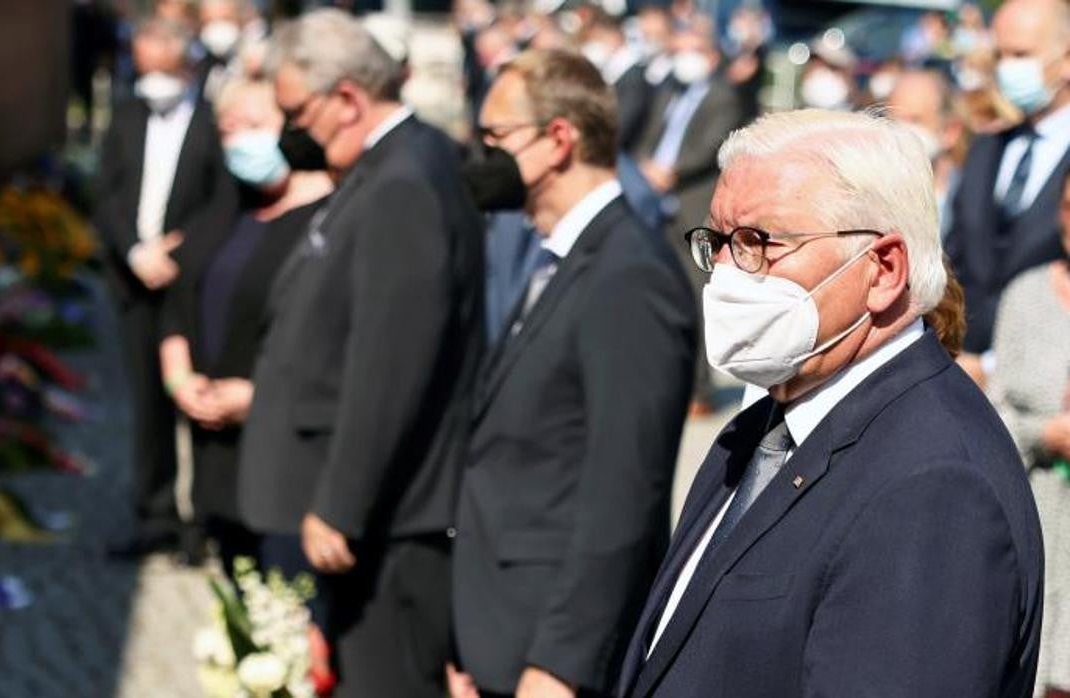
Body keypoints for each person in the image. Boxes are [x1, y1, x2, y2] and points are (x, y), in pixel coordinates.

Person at [615, 108, 1043, 698]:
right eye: (718, 241)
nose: (727, 275)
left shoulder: (933, 485)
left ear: (883, 270)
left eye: (759, 242)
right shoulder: (767, 424)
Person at [237, 10, 485, 696]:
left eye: (296, 111)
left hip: (387, 525)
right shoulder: (391, 166)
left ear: (346, 98)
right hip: (376, 517)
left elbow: (391, 362)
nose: (291, 131)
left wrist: (342, 502)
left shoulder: (403, 181)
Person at [450, 49, 697, 698]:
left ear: (558, 139)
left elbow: (623, 490)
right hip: (499, 631)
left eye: (496, 137)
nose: (483, 156)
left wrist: (562, 665)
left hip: (550, 657)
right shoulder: (556, 257)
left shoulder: (628, 277)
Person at [156, 76, 333, 575]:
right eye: (228, 130)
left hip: (282, 443)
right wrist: (179, 378)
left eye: (253, 126)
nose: (239, 142)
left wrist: (260, 397)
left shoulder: (325, 220)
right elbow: (177, 301)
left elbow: (332, 343)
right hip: (214, 440)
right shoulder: (226, 207)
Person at [94, 16, 236, 558]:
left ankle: (202, 522)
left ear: (186, 65)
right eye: (144, 66)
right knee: (148, 404)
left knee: (193, 395)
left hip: (188, 282)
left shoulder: (209, 122)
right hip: (135, 281)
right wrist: (134, 250)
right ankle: (154, 515)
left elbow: (221, 201)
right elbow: (106, 194)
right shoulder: (126, 117)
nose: (152, 79)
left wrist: (182, 254)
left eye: (162, 67)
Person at [947, 0, 1070, 387]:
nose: (1006, 68)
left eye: (1021, 55)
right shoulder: (987, 147)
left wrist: (994, 367)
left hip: (1044, 386)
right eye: (999, 54)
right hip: (960, 376)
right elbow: (955, 259)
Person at [631, 22, 747, 415]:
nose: (683, 57)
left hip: (693, 207)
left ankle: (700, 389)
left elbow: (711, 144)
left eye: (691, 49)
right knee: (660, 296)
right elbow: (648, 137)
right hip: (656, 205)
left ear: (711, 56)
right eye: (677, 48)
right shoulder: (669, 93)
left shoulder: (723, 95)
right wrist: (645, 168)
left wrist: (671, 171)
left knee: (696, 298)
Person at [990, 171, 1070, 698]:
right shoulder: (1025, 295)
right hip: (1040, 520)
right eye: (1067, 206)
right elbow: (989, 420)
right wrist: (1049, 434)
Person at [888, 69, 970, 240]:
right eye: (894, 121)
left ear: (950, 131)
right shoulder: (874, 200)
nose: (902, 132)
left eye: (915, 120)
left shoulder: (974, 196)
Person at [580, 15, 652, 152]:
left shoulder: (634, 76)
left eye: (598, 39)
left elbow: (626, 122)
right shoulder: (611, 72)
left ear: (615, 36)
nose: (595, 45)